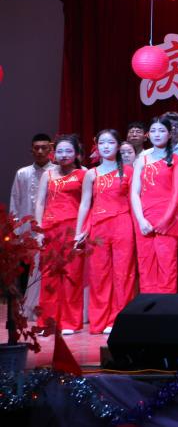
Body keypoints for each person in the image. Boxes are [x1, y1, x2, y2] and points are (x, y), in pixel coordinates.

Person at [73, 129, 136, 334]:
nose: (106, 146)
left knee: (123, 273)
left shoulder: (129, 171)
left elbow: (134, 201)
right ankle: (99, 320)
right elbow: (85, 204)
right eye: (102, 143)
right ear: (97, 146)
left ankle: (119, 319)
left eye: (110, 142)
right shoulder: (91, 173)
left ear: (118, 146)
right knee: (99, 274)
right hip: (98, 227)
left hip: (123, 224)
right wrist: (79, 231)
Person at [34, 135, 87, 334]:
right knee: (49, 276)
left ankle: (70, 322)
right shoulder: (47, 174)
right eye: (60, 151)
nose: (64, 155)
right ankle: (47, 322)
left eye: (69, 151)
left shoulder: (84, 174)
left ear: (77, 153)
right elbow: (40, 203)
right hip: (50, 230)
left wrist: (82, 230)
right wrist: (39, 230)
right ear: (54, 154)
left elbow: (87, 203)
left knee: (72, 275)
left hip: (72, 229)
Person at [130, 117, 178, 295]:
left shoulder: (177, 160)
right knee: (145, 265)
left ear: (169, 134)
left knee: (167, 267)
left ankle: (166, 308)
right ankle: (149, 307)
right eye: (153, 131)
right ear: (148, 134)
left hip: (167, 222)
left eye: (161, 131)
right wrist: (141, 220)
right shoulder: (141, 160)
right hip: (144, 220)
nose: (157, 134)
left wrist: (165, 221)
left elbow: (177, 194)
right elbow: (134, 193)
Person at [8, 133, 54, 319]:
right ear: (31, 150)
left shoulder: (56, 172)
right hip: (26, 230)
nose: (40, 151)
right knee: (26, 269)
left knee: (48, 268)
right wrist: (15, 229)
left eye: (44, 147)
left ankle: (48, 307)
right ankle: (25, 308)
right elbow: (15, 201)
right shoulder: (23, 173)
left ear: (50, 149)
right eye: (37, 148)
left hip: (50, 227)